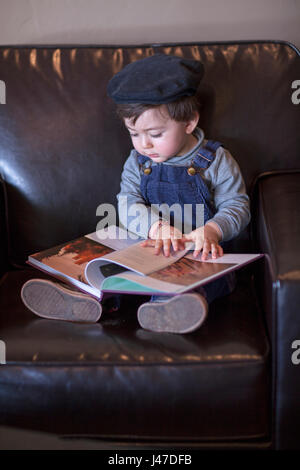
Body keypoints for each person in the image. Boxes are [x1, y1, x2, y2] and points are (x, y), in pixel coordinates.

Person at [21, 53, 250, 334]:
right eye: (134, 133)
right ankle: (88, 300)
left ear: (189, 122)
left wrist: (213, 230)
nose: (144, 145)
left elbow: (237, 205)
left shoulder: (215, 160)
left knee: (195, 282)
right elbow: (127, 202)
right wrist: (156, 227)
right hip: (146, 253)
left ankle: (171, 309)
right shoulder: (138, 162)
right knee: (108, 273)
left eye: (155, 134)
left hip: (196, 257)